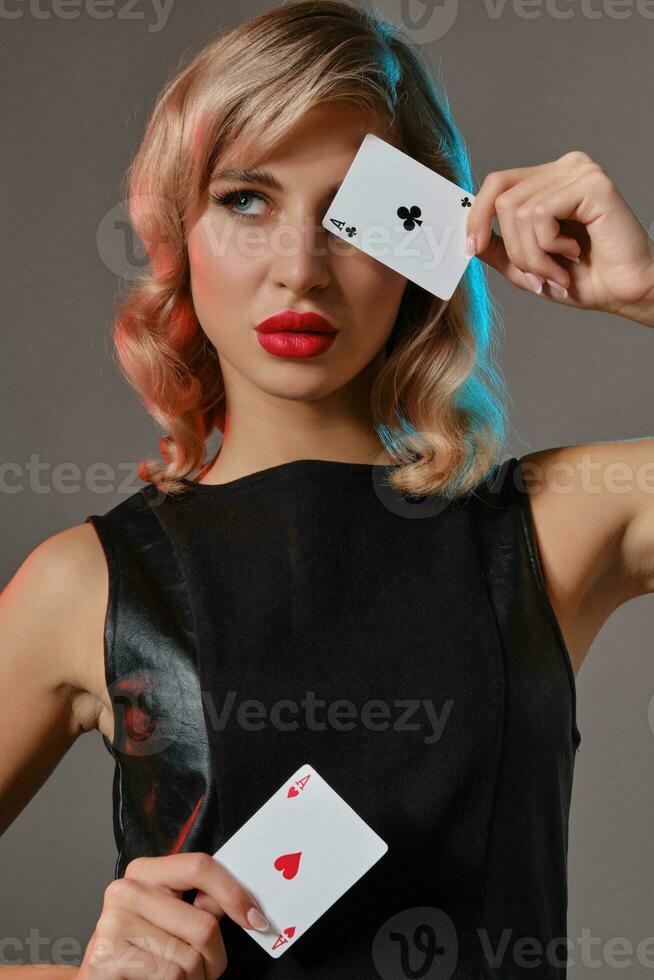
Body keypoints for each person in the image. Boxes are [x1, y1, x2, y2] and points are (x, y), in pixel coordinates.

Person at [2, 1, 653, 977]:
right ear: (177, 231)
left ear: (424, 242)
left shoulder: (557, 526)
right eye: (247, 200)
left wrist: (648, 290)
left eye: (352, 211)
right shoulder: (86, 582)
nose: (300, 270)